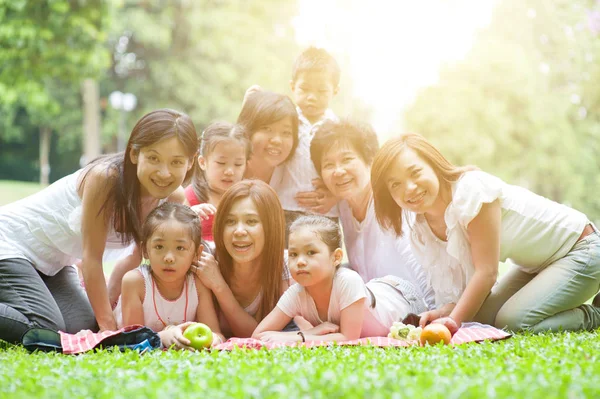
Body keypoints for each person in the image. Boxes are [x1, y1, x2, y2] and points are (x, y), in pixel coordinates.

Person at [0, 109, 199, 342]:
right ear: (134, 153)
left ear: (191, 162)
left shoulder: (173, 199)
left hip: (54, 265)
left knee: (82, 324)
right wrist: (107, 327)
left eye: (176, 162)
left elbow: (134, 258)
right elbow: (91, 259)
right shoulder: (105, 179)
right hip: (11, 243)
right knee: (44, 327)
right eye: (153, 158)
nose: (164, 172)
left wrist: (111, 310)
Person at [370, 133, 600, 333]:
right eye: (395, 184)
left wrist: (451, 322)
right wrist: (445, 312)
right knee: (481, 319)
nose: (409, 188)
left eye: (415, 172)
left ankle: (594, 315)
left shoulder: (471, 191)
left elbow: (487, 273)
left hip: (581, 250)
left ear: (433, 164)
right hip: (535, 267)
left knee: (514, 320)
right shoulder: (421, 228)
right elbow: (465, 289)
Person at [310, 119, 435, 309]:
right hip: (377, 308)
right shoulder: (343, 206)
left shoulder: (392, 201)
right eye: (328, 165)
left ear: (370, 160)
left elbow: (422, 267)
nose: (338, 171)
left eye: (347, 159)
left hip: (417, 308)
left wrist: (436, 315)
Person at [252, 215, 428, 343]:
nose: (300, 262)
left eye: (311, 253)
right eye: (293, 254)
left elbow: (348, 338)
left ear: (336, 257)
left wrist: (303, 336)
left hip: (404, 299)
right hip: (375, 292)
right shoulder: (296, 293)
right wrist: (315, 331)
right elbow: (258, 335)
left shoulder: (347, 281)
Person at [245, 47, 340, 235]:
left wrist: (335, 197)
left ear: (335, 92)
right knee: (283, 259)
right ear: (292, 87)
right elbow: (255, 126)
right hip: (284, 208)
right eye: (304, 89)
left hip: (325, 213)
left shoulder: (337, 128)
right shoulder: (286, 120)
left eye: (321, 91)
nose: (312, 97)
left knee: (322, 261)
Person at [114, 202, 224, 349]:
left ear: (196, 253)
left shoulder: (197, 284)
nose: (169, 258)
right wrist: (161, 337)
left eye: (180, 248)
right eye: (159, 247)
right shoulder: (135, 282)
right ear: (145, 250)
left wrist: (215, 339)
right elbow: (133, 340)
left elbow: (215, 332)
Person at [191, 180, 293, 338]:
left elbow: (258, 336)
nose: (239, 231)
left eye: (251, 221)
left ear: (271, 227)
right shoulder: (205, 259)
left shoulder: (287, 266)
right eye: (230, 221)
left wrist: (219, 286)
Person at [184, 122, 250, 244]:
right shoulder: (189, 196)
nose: (230, 171)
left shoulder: (248, 197)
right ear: (203, 162)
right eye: (221, 163)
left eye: (238, 164)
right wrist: (189, 216)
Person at [237, 90, 299, 183]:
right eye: (267, 129)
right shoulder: (225, 171)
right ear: (247, 129)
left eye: (286, 132)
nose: (277, 140)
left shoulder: (294, 175)